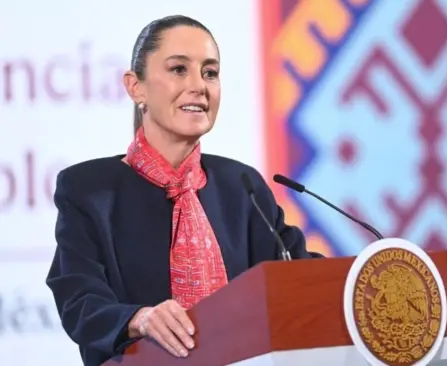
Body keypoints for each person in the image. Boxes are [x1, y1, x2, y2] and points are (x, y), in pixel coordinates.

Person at [45, 15, 321, 366]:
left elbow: (301, 278)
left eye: (210, 73)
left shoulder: (242, 186)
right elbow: (79, 300)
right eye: (178, 70)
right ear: (136, 87)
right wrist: (138, 319)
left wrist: (366, 281)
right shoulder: (89, 190)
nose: (198, 86)